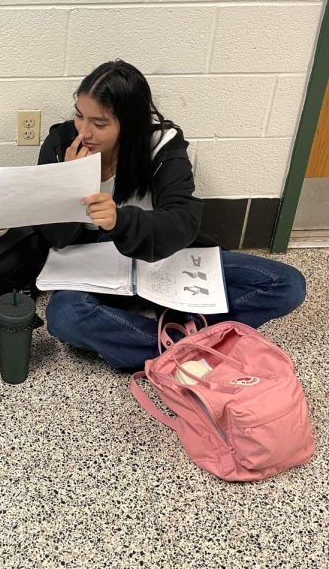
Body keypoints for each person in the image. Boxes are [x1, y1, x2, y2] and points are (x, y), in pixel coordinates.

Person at [38, 60, 306, 370]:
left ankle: (154, 343)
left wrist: (121, 220)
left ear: (130, 124)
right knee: (65, 315)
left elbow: (183, 221)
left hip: (163, 255)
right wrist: (71, 180)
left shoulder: (162, 143)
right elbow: (55, 236)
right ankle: (190, 345)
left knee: (286, 285)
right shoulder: (61, 144)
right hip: (95, 265)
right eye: (79, 115)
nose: (84, 132)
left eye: (99, 123)